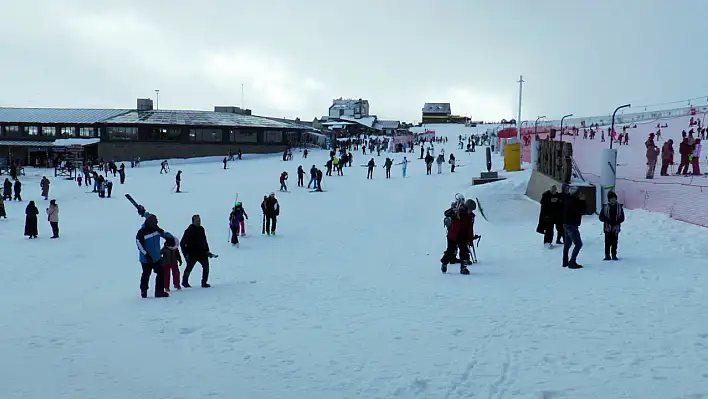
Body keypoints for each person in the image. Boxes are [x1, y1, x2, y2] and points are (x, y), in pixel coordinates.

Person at [136, 213, 173, 298]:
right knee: (146, 274)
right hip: (146, 259)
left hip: (156, 257)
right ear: (149, 222)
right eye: (155, 221)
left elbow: (164, 233)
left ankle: (159, 292)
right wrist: (146, 255)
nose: (157, 223)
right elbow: (139, 244)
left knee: (161, 272)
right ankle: (144, 290)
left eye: (157, 221)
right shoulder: (141, 232)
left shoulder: (156, 229)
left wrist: (170, 238)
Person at [440, 198, 477, 275]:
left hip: (463, 236)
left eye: (472, 210)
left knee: (464, 252)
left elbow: (470, 228)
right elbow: (446, 213)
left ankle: (463, 268)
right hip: (453, 235)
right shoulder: (458, 212)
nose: (471, 211)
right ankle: (444, 263)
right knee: (451, 251)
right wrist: (453, 210)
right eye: (470, 209)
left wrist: (470, 238)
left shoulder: (470, 216)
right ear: (466, 207)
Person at [180, 215, 215, 288]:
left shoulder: (201, 229)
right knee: (189, 268)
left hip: (202, 253)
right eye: (197, 221)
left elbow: (204, 240)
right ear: (193, 222)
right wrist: (186, 254)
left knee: (206, 267)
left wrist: (207, 250)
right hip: (192, 253)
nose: (199, 222)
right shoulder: (188, 231)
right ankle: (184, 282)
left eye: (199, 221)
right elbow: (182, 243)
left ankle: (204, 282)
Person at [562, 188, 587, 269]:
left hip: (566, 223)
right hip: (572, 225)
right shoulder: (575, 201)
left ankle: (565, 261)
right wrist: (583, 201)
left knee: (567, 244)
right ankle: (572, 261)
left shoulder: (568, 199)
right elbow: (582, 211)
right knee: (578, 244)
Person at [599, 191, 625, 261]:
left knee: (614, 242)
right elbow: (601, 217)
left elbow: (622, 218)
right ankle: (607, 255)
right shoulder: (605, 207)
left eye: (614, 199)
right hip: (607, 228)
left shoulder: (619, 208)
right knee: (607, 242)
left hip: (615, 228)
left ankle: (614, 255)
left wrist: (617, 221)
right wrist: (607, 220)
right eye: (611, 199)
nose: (613, 200)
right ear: (609, 200)